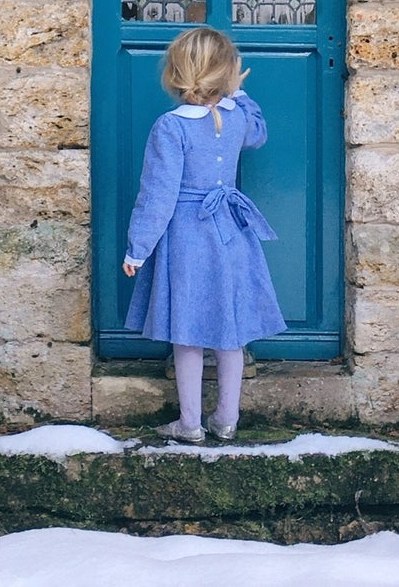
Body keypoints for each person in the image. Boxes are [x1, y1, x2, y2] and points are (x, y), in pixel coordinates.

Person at [122, 25, 287, 443]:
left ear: (177, 72)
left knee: (187, 330)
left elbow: (158, 195)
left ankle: (190, 424)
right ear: (226, 72)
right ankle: (227, 419)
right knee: (230, 329)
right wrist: (239, 93)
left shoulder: (171, 126)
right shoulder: (236, 117)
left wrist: (138, 248)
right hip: (230, 231)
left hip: (187, 235)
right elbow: (259, 132)